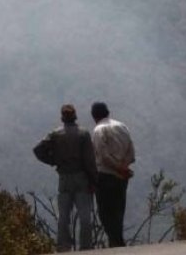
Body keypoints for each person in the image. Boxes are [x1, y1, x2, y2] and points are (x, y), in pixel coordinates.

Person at [33, 104, 98, 252]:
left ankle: (63, 247)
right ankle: (85, 247)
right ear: (75, 116)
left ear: (62, 117)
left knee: (63, 216)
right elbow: (89, 160)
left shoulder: (55, 134)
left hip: (64, 178)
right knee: (85, 216)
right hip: (81, 178)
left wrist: (53, 161)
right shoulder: (83, 134)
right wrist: (94, 180)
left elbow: (38, 150)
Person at [90, 101, 135, 248]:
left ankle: (115, 242)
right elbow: (131, 152)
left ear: (94, 117)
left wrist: (117, 168)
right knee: (118, 210)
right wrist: (123, 167)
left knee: (105, 212)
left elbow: (103, 156)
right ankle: (118, 240)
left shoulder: (98, 130)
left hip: (105, 176)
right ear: (108, 113)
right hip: (122, 177)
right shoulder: (122, 127)